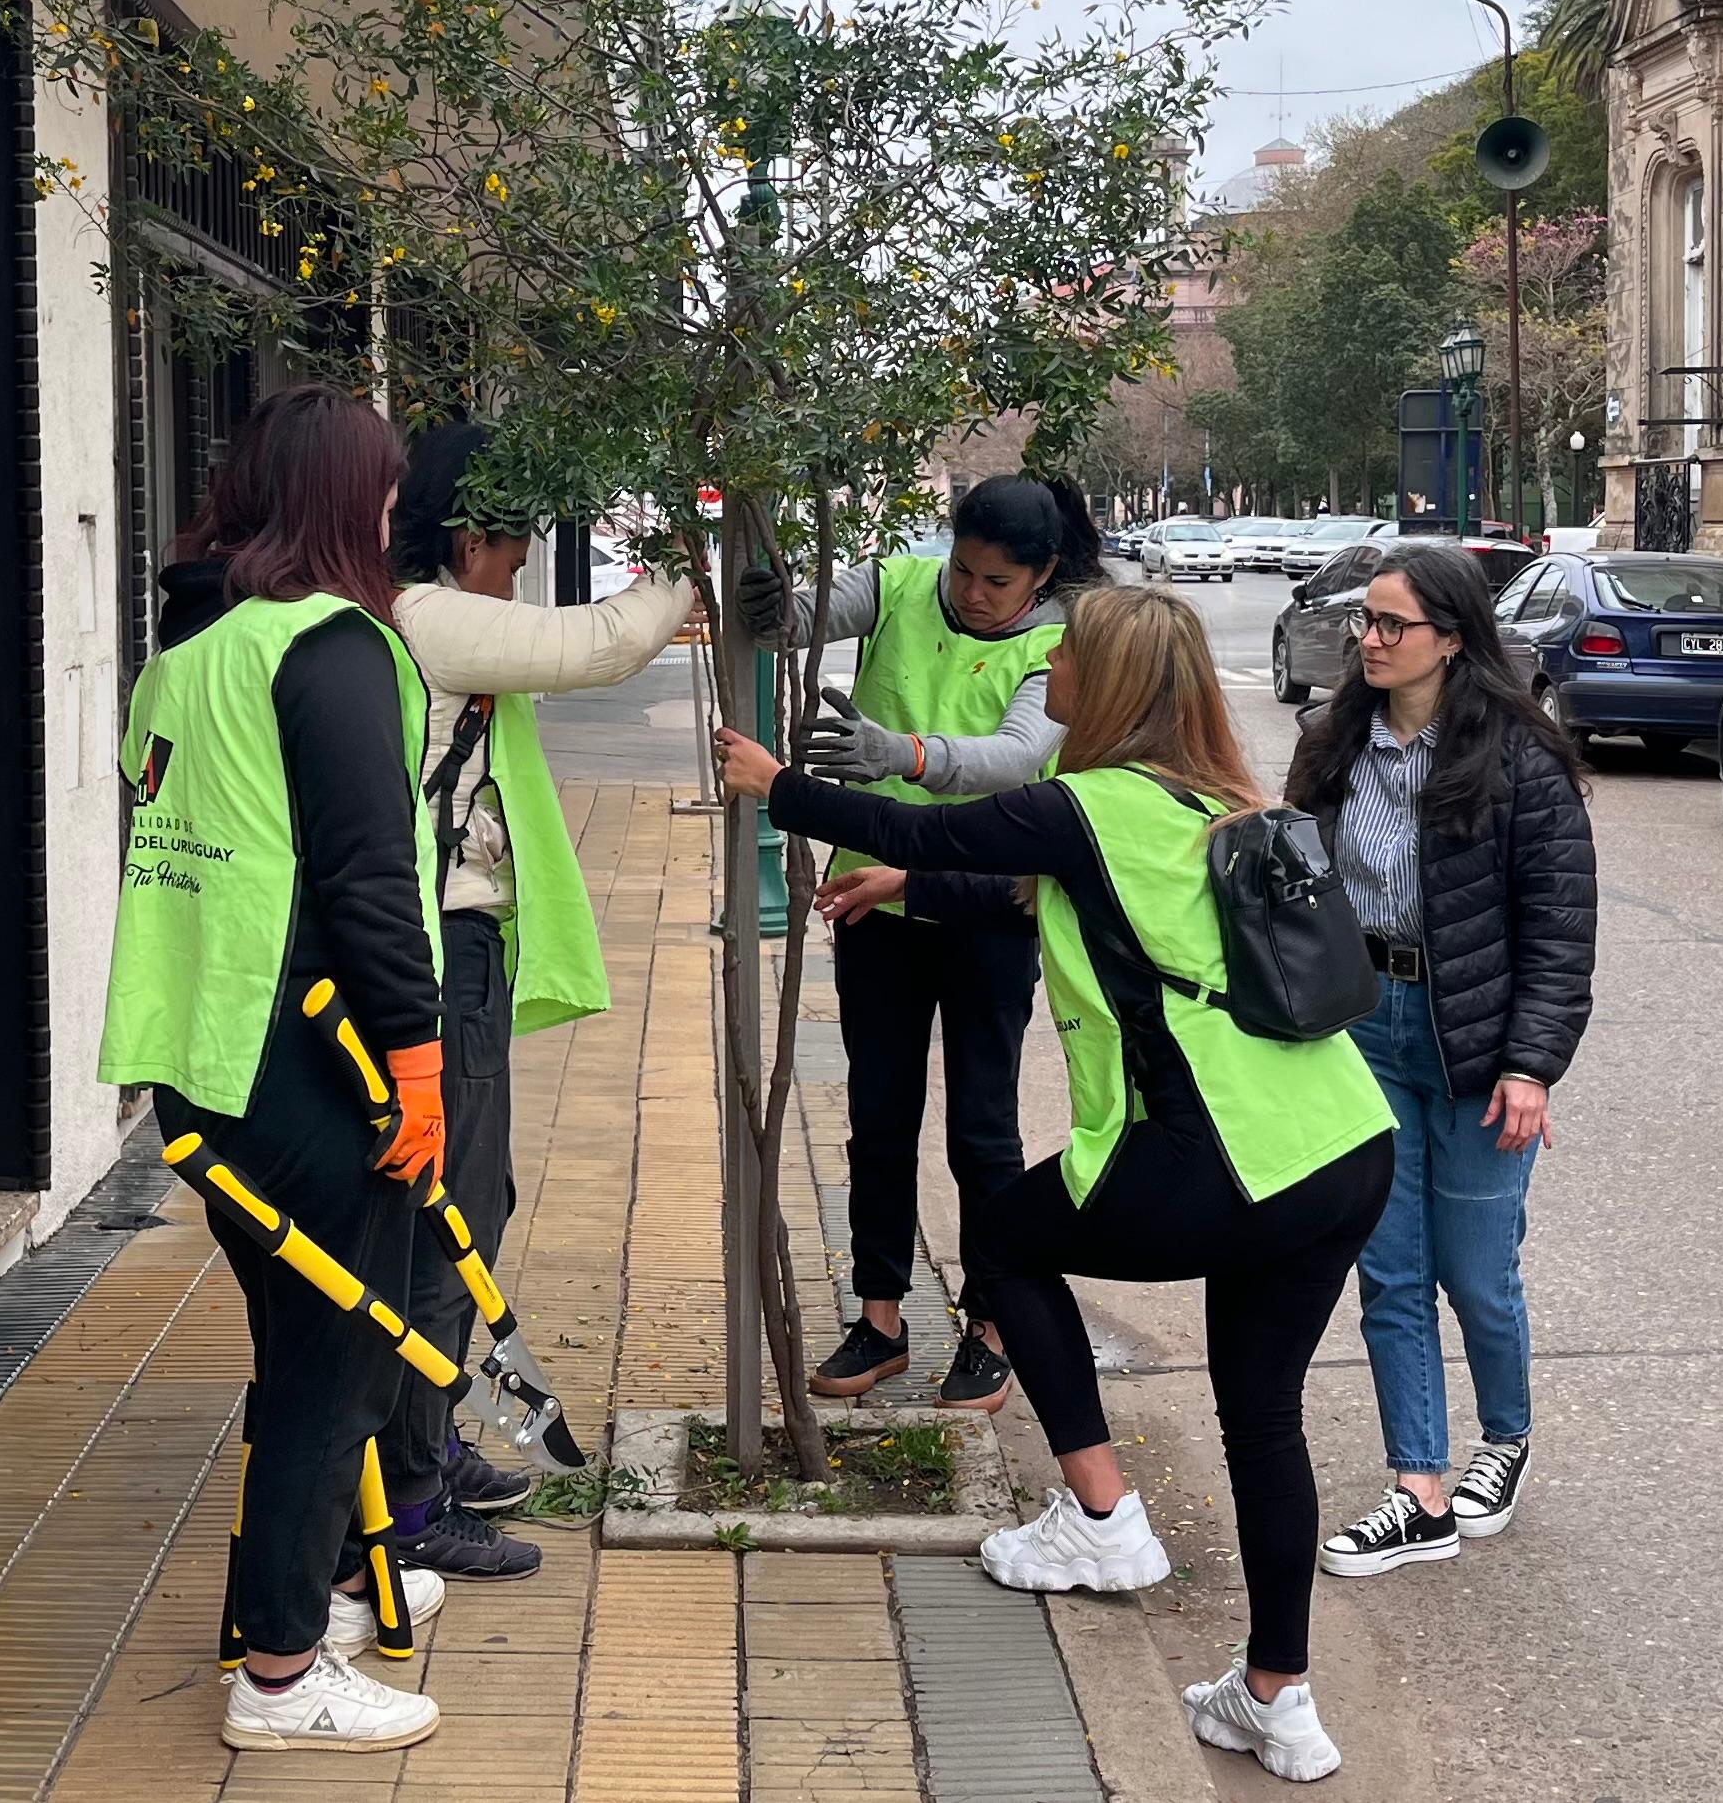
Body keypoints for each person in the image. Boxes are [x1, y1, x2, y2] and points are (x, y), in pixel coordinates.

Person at [717, 585, 1397, 1786]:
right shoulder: (1204, 794)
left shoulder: (1084, 802)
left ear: (1111, 684)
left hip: (1225, 1154)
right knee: (1264, 1420)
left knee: (1011, 1236)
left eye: (1067, 655)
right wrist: (905, 892)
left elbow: (934, 829)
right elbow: (1033, 888)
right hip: (1338, 1146)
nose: (1051, 666)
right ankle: (1277, 1700)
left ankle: (1100, 1522)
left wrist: (780, 787)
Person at [102, 384, 452, 1754]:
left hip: (203, 1056)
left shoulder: (193, 648)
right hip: (309, 1056)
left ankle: (307, 1595)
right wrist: (419, 1066)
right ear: (345, 498)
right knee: (335, 1354)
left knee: (308, 1340)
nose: (393, 512)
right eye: (384, 489)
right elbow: (372, 881)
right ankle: (283, 1677)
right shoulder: (334, 647)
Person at [372, 423, 697, 1582]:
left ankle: (427, 1445)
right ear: (471, 537)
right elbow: (608, 644)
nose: (517, 573)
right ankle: (410, 1493)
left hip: (456, 946)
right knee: (449, 1221)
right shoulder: (428, 615)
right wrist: (690, 549)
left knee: (472, 1203)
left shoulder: (407, 608)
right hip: (437, 950)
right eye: (513, 551)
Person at [735, 474, 1103, 1410]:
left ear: (1043, 576)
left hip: (987, 908)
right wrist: (777, 599)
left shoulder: (1058, 642)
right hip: (873, 902)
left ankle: (991, 1321)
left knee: (984, 1128)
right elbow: (809, 612)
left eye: (998, 582)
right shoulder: (900, 584)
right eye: (966, 570)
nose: (974, 593)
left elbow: (1018, 757)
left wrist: (900, 756)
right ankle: (880, 1317)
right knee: (879, 1116)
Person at [1295, 542, 1596, 1583]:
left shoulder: (1521, 762)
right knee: (1388, 1269)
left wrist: (1531, 1065)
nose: (1369, 642)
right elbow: (1297, 886)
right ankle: (1419, 1489)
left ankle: (1502, 1442)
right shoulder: (1332, 744)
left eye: (1392, 626)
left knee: (1475, 1274)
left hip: (1474, 1041)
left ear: (1453, 640)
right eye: (1364, 624)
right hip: (1363, 1028)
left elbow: (1559, 934)